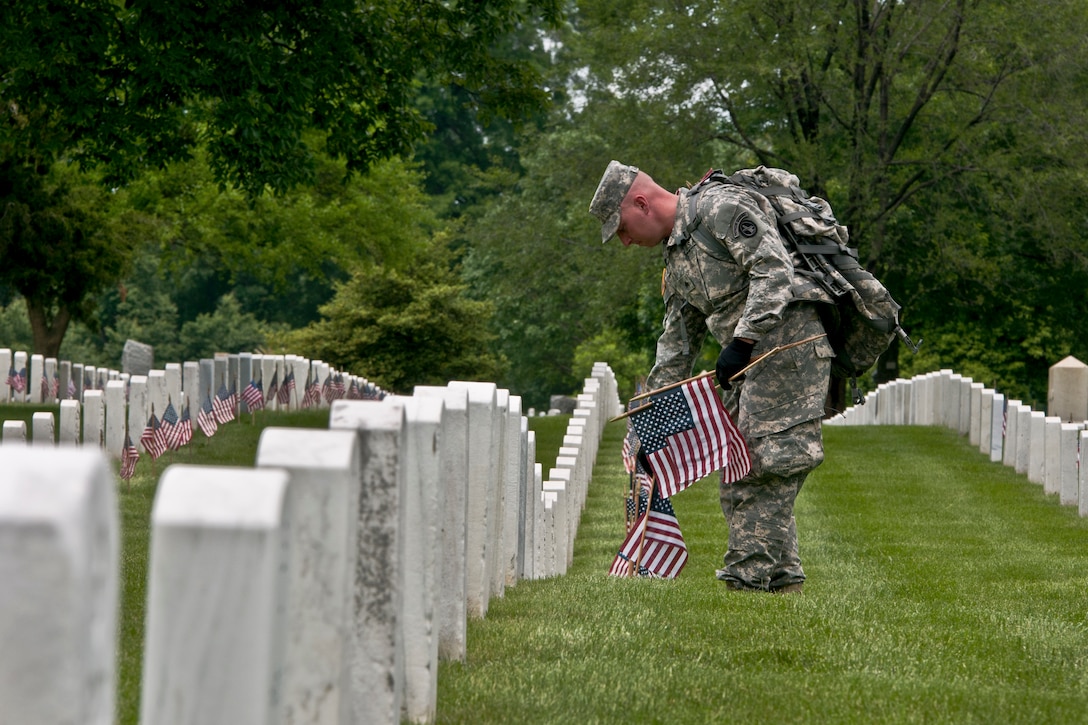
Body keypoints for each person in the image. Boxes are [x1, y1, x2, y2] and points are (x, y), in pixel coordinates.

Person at [589, 160, 833, 594]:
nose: (625, 242)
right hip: (745, 367)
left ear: (641, 203)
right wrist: (649, 414)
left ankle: (746, 580)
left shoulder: (721, 208)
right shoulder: (677, 254)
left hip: (786, 353)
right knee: (743, 467)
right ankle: (781, 581)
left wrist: (743, 338)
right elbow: (677, 342)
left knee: (765, 465)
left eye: (622, 228)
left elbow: (774, 270)